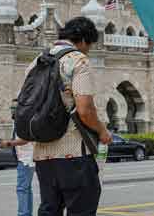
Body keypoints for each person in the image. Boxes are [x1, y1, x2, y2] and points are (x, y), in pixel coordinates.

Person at [30, 16, 112, 216]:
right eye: (89, 45)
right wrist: (102, 131)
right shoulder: (78, 60)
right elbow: (85, 110)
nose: (88, 50)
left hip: (43, 155)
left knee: (50, 209)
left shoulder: (37, 61)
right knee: (82, 209)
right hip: (74, 154)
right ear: (83, 40)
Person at [0, 101, 35, 216]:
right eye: (11, 108)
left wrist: (9, 143)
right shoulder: (17, 121)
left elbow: (26, 139)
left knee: (22, 189)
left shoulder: (23, 120)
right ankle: (26, 213)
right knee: (26, 189)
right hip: (24, 158)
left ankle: (23, 214)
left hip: (26, 159)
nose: (12, 110)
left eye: (15, 108)